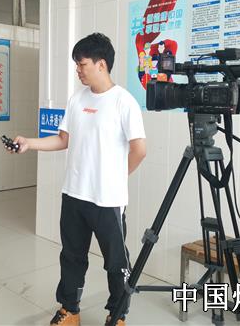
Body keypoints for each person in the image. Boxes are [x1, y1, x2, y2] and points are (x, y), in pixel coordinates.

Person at [12, 33, 146, 326]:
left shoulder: (124, 101)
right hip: (74, 194)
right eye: (77, 64)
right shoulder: (77, 99)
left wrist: (116, 178)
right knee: (72, 256)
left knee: (116, 262)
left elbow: (139, 149)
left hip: (107, 200)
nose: (78, 70)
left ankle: (117, 314)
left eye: (82, 64)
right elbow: (63, 140)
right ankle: (69, 310)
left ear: (101, 64)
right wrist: (29, 143)